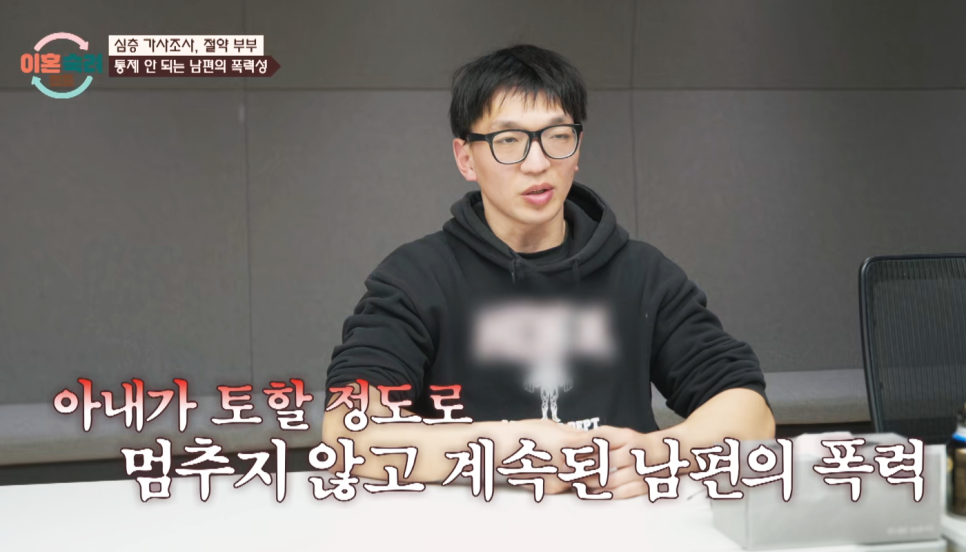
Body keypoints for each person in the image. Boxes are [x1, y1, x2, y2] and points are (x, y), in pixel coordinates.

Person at [322, 44, 775, 499]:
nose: (537, 163)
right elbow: (347, 432)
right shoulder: (416, 278)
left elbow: (749, 411)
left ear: (577, 148)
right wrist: (504, 447)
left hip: (622, 523)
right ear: (466, 158)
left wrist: (660, 452)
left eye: (557, 136)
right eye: (508, 140)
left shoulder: (642, 273)